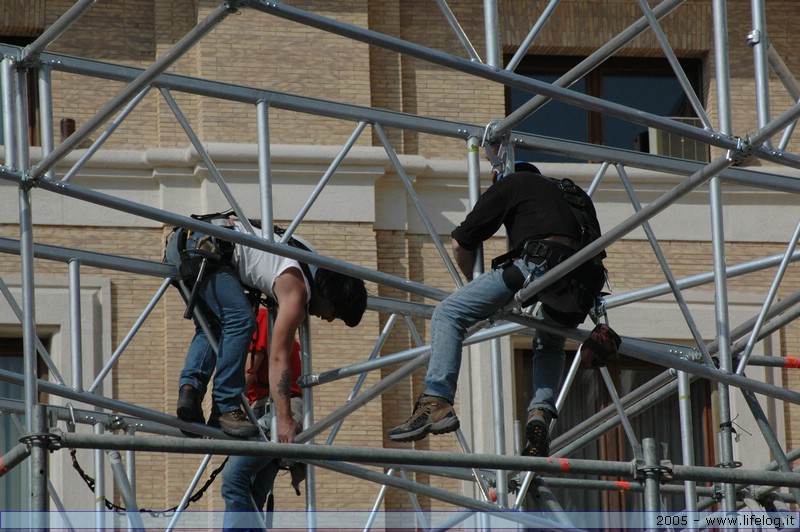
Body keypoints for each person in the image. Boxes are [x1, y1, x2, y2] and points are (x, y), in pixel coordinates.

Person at [387, 162, 603, 457]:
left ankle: (436, 400)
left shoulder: (513, 183)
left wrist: (475, 289)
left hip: (539, 264)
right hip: (581, 290)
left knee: (449, 314)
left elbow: (462, 242)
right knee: (549, 340)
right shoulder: (573, 195)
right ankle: (540, 411)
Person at [165, 215, 367, 438]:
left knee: (212, 326)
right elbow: (278, 358)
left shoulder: (307, 252)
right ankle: (225, 405)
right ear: (332, 297)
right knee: (240, 319)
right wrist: (285, 419)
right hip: (204, 248)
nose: (328, 319)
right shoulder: (297, 290)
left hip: (188, 241)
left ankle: (190, 393)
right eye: (335, 314)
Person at [220, 307, 305, 532]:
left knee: (234, 477)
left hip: (279, 410)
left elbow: (249, 372)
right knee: (253, 494)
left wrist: (223, 412)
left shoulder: (261, 316)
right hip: (263, 409)